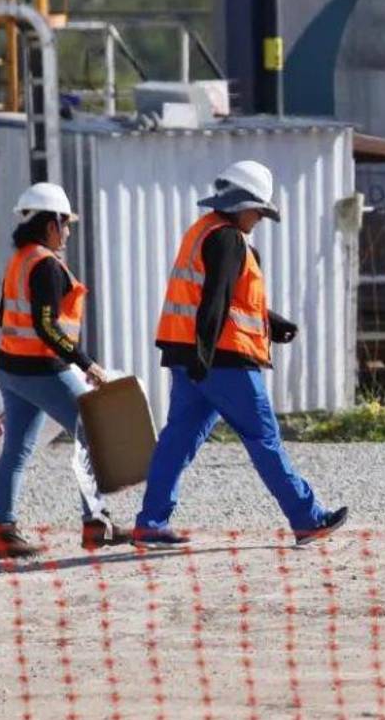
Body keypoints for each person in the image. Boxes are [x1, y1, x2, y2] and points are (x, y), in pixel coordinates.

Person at [132, 160, 348, 548]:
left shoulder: (204, 232)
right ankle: (307, 517)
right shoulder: (230, 239)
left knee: (177, 439)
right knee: (263, 437)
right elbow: (214, 299)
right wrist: (205, 353)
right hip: (223, 361)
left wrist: (272, 321)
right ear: (241, 205)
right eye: (258, 210)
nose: (259, 219)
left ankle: (150, 522)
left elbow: (221, 299)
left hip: (190, 358)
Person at [0, 183, 130, 559]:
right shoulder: (46, 265)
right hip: (43, 369)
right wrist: (88, 365)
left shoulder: (20, 259)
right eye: (65, 224)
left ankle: (3, 531)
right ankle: (97, 525)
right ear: (51, 223)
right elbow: (47, 327)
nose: (67, 232)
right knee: (93, 434)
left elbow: (5, 316)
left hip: (11, 368)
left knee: (16, 451)